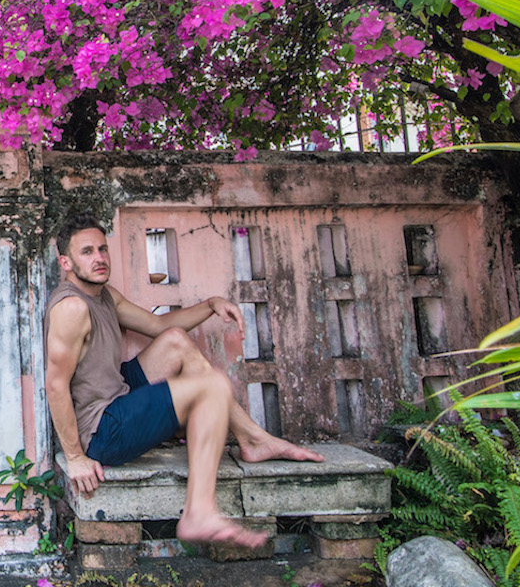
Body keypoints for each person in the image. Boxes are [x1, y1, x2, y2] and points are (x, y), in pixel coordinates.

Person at [43, 212, 324, 549]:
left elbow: (158, 326)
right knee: (213, 387)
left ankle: (252, 440)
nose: (100, 258)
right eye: (87, 252)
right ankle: (200, 511)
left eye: (102, 249)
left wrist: (210, 305)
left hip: (118, 394)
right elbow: (56, 385)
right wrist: (76, 458)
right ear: (66, 262)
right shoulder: (71, 308)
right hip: (103, 430)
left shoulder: (104, 295)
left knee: (175, 340)